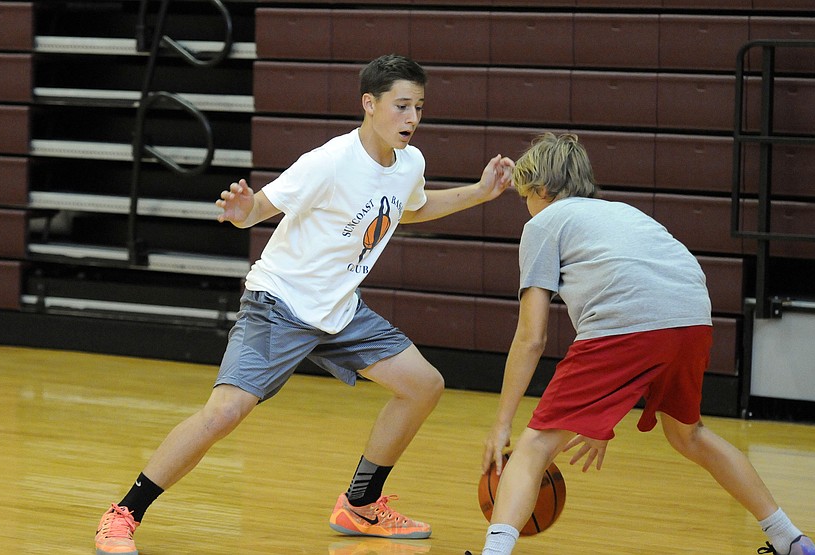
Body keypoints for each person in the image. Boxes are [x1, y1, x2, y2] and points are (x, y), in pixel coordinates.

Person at [94, 53, 514, 555]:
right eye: (402, 106)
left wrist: (481, 193)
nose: (412, 118)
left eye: (419, 107)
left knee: (423, 385)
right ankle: (122, 515)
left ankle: (360, 505)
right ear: (369, 104)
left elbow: (414, 208)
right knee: (223, 414)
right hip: (280, 304)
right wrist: (244, 210)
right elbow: (260, 210)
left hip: (339, 309)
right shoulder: (329, 162)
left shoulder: (410, 164)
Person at [467, 132, 815, 555]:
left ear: (541, 190)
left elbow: (531, 337)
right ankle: (791, 540)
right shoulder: (624, 214)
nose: (526, 204)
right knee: (689, 435)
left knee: (534, 445)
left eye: (526, 195)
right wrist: (602, 415)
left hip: (631, 327)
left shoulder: (543, 223)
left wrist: (501, 424)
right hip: (693, 318)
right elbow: (645, 309)